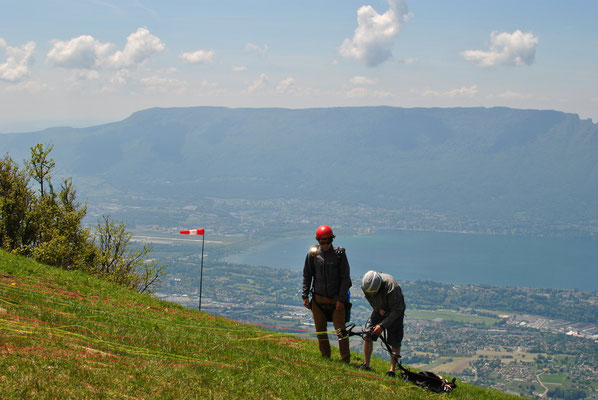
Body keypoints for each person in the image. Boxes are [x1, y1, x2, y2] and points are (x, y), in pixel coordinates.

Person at [302, 225, 352, 363]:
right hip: (318, 300)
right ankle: (325, 357)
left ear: (332, 239)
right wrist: (305, 296)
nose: (325, 245)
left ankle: (345, 359)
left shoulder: (339, 255)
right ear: (318, 241)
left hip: (336, 301)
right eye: (322, 242)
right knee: (320, 331)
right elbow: (307, 275)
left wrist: (341, 300)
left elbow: (345, 278)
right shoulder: (312, 254)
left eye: (327, 241)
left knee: (341, 331)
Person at [359, 270, 405, 377]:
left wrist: (382, 326)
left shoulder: (391, 287)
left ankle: (392, 370)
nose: (371, 294)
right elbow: (369, 299)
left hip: (395, 312)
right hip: (380, 309)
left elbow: (397, 310)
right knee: (367, 334)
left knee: (395, 341)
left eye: (374, 292)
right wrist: (378, 309)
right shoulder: (365, 286)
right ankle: (366, 364)